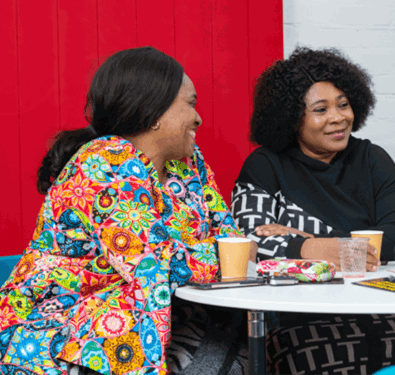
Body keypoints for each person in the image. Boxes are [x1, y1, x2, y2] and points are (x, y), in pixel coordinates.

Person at [0, 47, 254, 375]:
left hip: (159, 318)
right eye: (190, 103)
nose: (198, 117)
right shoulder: (105, 161)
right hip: (63, 334)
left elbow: (231, 239)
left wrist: (224, 255)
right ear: (154, 110)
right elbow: (155, 265)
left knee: (261, 336)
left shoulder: (189, 164)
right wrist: (223, 256)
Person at [232, 47, 395, 374]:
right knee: (310, 353)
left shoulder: (373, 159)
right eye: (320, 109)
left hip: (374, 302)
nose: (338, 117)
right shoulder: (265, 165)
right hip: (295, 312)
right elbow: (246, 243)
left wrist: (312, 244)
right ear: (291, 117)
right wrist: (319, 248)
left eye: (343, 104)